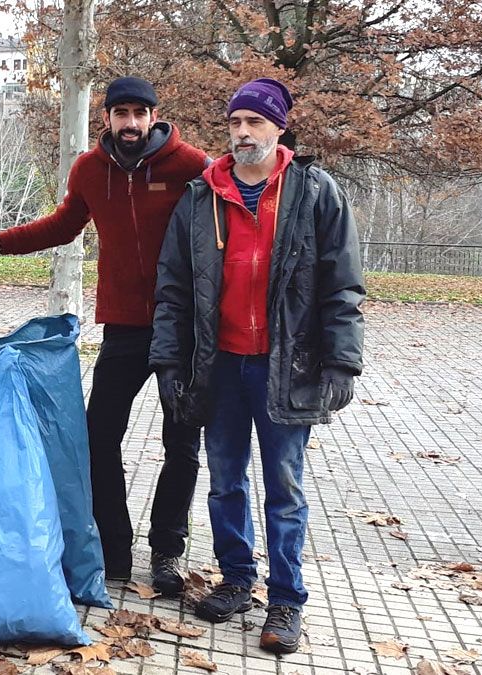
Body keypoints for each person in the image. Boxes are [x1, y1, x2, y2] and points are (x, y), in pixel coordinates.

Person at [149, 77, 365, 654]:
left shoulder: (316, 193)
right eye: (235, 123)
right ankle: (238, 579)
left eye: (256, 123)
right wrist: (169, 362)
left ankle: (287, 600)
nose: (243, 134)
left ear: (279, 128)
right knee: (224, 482)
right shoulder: (200, 198)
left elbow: (342, 285)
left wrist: (343, 360)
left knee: (284, 488)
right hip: (217, 366)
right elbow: (172, 288)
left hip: (286, 365)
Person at [0, 76, 208, 594]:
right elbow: (63, 224)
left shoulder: (192, 166)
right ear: (107, 118)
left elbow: (223, 227)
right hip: (122, 325)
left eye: (138, 113)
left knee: (182, 442)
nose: (129, 123)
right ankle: (114, 548)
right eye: (120, 113)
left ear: (153, 116)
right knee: (99, 436)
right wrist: (2, 240)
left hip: (181, 327)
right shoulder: (88, 169)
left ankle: (167, 550)